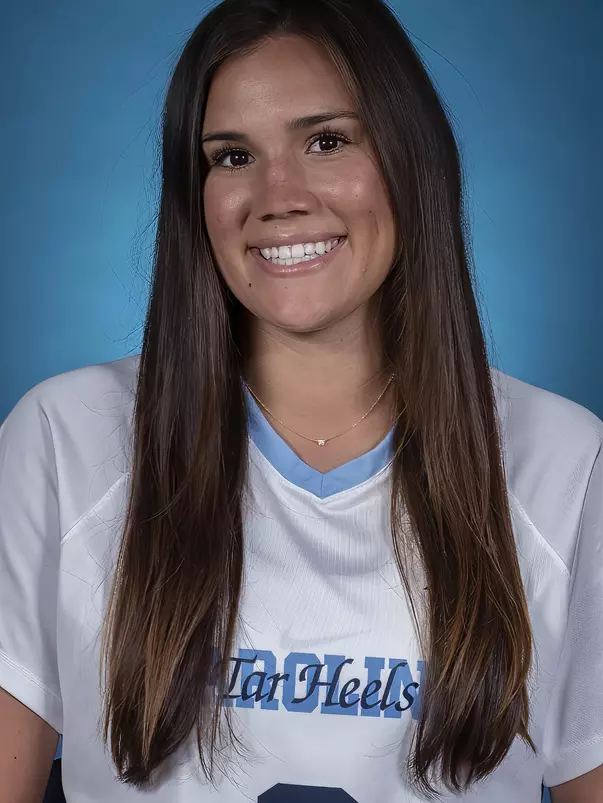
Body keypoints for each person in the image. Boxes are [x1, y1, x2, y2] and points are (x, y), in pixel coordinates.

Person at [1, 0, 602, 800]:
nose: (276, 195)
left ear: (408, 159)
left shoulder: (564, 462)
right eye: (231, 156)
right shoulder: (60, 440)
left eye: (326, 140)